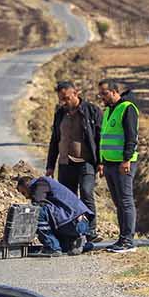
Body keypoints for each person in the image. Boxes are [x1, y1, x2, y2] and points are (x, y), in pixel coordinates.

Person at [45, 80, 102, 242]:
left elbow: (100, 138)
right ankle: (71, 232)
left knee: (86, 192)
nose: (64, 101)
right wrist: (50, 165)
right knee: (67, 198)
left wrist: (101, 162)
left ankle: (91, 231)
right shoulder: (60, 113)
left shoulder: (91, 111)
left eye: (67, 98)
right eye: (61, 98)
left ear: (76, 93)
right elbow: (55, 140)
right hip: (65, 163)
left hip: (86, 162)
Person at [97, 79, 138, 253]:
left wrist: (126, 160)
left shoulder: (127, 108)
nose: (102, 97)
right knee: (118, 202)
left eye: (104, 93)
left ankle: (128, 241)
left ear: (115, 92)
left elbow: (131, 137)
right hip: (109, 164)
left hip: (123, 164)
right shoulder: (108, 111)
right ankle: (122, 238)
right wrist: (101, 161)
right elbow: (104, 138)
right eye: (100, 94)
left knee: (126, 201)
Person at [15, 174, 93, 258]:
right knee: (64, 247)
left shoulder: (40, 183)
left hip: (74, 222)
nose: (26, 197)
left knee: (37, 212)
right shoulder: (48, 185)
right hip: (78, 222)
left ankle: (52, 248)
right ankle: (74, 240)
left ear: (27, 185)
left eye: (23, 193)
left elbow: (37, 203)